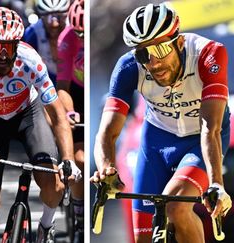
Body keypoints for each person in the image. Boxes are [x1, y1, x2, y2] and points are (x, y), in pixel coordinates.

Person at [90, 3, 232, 243]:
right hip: (156, 141)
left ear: (178, 43)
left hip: (200, 138)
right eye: (144, 53)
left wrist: (217, 183)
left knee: (175, 206)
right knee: (142, 237)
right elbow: (107, 132)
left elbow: (211, 127)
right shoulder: (128, 67)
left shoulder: (208, 54)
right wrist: (105, 169)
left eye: (161, 48)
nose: (153, 62)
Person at [0, 7, 82, 243]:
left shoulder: (30, 60)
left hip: (27, 114)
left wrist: (68, 160)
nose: (3, 55)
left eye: (10, 47)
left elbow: (56, 115)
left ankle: (46, 225)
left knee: (53, 186)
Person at [55, 0, 84, 242]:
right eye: (80, 33)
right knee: (79, 159)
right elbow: (62, 86)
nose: (83, 37)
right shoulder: (67, 37)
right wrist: (70, 113)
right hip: (75, 91)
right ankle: (79, 211)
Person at [23, 0, 70, 85]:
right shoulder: (32, 34)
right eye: (48, 17)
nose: (54, 24)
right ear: (41, 17)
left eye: (59, 16)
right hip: (46, 80)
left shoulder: (74, 29)